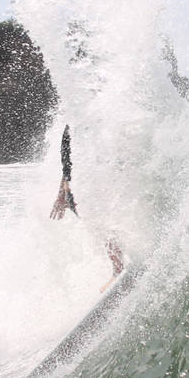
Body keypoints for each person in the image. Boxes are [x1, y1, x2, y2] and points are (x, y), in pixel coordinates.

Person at [49, 124, 124, 291]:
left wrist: (61, 195)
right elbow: (67, 167)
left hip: (89, 189)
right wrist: (62, 195)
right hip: (83, 192)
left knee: (108, 226)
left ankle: (118, 268)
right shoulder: (73, 128)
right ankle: (118, 269)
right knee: (105, 227)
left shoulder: (98, 117)